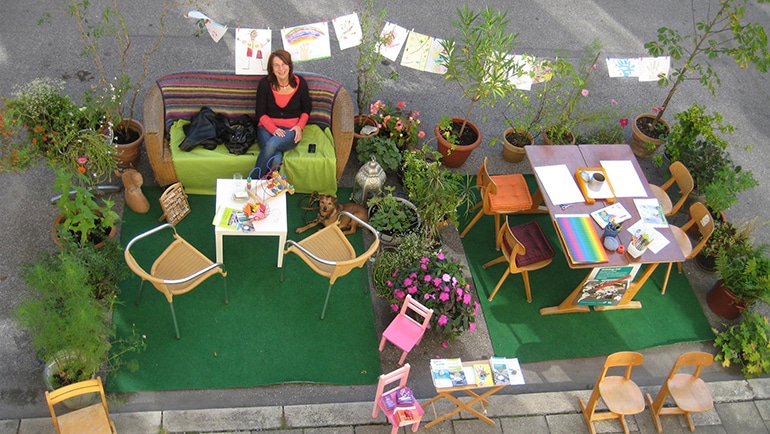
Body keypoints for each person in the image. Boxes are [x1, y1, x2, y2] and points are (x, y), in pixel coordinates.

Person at [251, 49, 311, 179]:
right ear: (271, 69)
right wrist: (274, 129)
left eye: (284, 64)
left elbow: (307, 109)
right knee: (276, 158)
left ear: (290, 66)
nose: (281, 68)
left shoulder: (301, 83)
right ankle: (269, 187)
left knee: (272, 145)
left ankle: (252, 181)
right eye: (276, 65)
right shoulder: (264, 84)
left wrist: (300, 126)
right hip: (266, 128)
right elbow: (260, 113)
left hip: (291, 130)